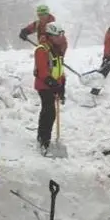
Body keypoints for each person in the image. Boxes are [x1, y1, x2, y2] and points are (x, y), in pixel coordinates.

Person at [33, 22, 68, 155]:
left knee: (47, 111)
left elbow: (59, 69)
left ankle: (41, 136)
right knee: (49, 112)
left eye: (61, 35)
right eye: (57, 36)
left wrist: (62, 85)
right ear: (50, 36)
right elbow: (42, 72)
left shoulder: (57, 49)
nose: (60, 38)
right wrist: (54, 86)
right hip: (44, 86)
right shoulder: (42, 50)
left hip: (54, 84)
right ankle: (44, 140)